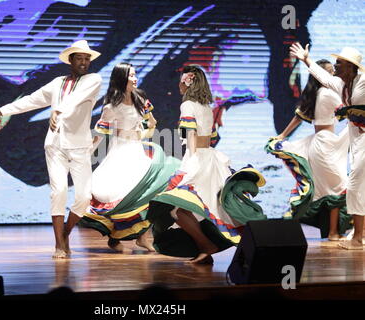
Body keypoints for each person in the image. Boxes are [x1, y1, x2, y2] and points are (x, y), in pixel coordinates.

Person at [0, 40, 102, 258]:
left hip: (80, 147)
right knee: (59, 191)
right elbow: (29, 101)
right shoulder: (57, 83)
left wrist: (58, 111)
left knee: (83, 197)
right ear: (71, 61)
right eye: (79, 58)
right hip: (55, 145)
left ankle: (65, 232)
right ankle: (58, 244)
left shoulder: (94, 79)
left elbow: (77, 98)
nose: (84, 62)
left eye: (87, 59)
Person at [147, 65, 267, 264]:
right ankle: (207, 247)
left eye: (181, 79)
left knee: (178, 210)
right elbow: (210, 136)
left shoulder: (187, 105)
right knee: (202, 208)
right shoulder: (206, 106)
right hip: (210, 157)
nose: (178, 83)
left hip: (198, 159)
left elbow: (191, 135)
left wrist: (191, 161)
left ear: (188, 82)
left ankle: (205, 245)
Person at [79, 63, 180, 252]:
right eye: (131, 76)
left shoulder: (140, 98)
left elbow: (152, 122)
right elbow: (99, 135)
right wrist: (86, 155)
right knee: (121, 196)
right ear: (121, 79)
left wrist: (145, 129)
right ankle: (115, 238)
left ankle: (142, 237)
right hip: (120, 154)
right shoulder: (111, 107)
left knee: (148, 192)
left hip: (137, 151)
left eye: (135, 75)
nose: (135, 79)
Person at [290, 43, 365, 250]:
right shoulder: (343, 86)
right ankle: (360, 234)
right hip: (357, 139)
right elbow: (324, 77)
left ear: (350, 67)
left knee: (356, 184)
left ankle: (358, 237)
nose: (335, 66)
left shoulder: (363, 82)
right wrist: (306, 59)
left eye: (339, 63)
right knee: (358, 186)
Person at [267, 59, 351, 240]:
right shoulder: (329, 93)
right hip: (327, 144)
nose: (334, 75)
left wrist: (282, 135)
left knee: (329, 189)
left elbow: (299, 116)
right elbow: (347, 111)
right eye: (331, 72)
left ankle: (329, 231)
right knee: (337, 188)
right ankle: (333, 232)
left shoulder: (316, 93)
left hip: (319, 143)